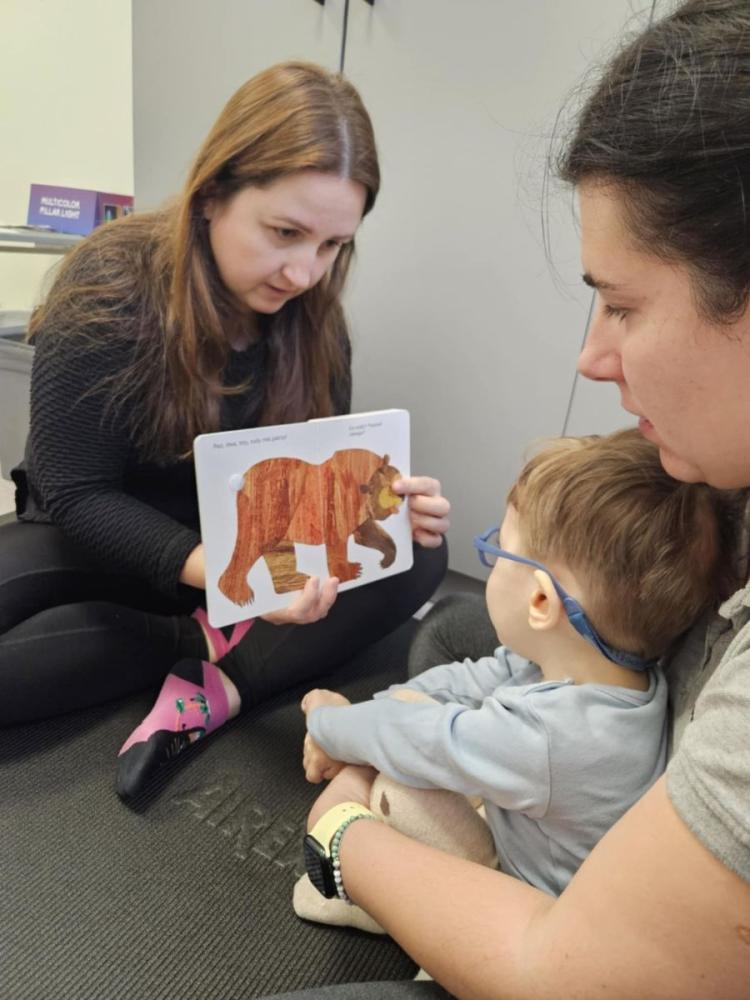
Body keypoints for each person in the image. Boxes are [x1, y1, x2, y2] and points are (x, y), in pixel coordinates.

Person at [268, 3, 750, 997]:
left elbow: (563, 970)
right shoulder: (707, 494)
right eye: (286, 233)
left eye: (623, 305)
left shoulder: (319, 334)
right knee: (456, 642)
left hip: (568, 925)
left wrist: (343, 829)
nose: (592, 355)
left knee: (432, 633)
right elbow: (492, 673)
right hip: (580, 750)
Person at [0, 62, 449, 799]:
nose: (304, 273)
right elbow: (75, 493)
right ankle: (198, 644)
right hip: (107, 538)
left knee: (422, 558)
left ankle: (217, 685)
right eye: (285, 233)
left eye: (333, 246)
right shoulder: (109, 287)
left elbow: (314, 485)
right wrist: (228, 579)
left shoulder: (316, 322)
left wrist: (386, 509)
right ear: (212, 194)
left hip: (244, 558)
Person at [299, 429, 738, 906]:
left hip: (522, 898)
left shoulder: (552, 737)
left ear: (541, 601)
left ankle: (371, 904)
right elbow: (472, 679)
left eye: (498, 549)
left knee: (400, 787)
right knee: (415, 706)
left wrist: (327, 723)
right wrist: (382, 706)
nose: (491, 558)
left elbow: (422, 738)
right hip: (527, 811)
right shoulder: (609, 671)